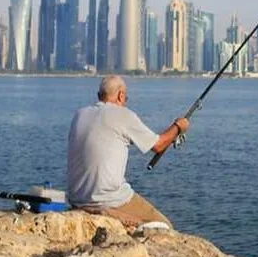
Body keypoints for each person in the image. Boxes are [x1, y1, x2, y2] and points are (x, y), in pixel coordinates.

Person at [66, 75, 189, 229]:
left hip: (76, 199)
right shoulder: (123, 115)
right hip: (108, 200)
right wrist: (178, 126)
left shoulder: (80, 114)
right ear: (120, 95)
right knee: (163, 226)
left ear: (99, 96)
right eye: (126, 97)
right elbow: (158, 145)